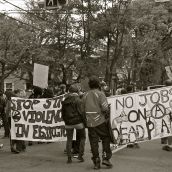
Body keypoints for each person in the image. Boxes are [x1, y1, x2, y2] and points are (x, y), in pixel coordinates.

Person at [82, 76, 112, 169]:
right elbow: (105, 108)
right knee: (106, 138)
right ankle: (106, 158)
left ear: (89, 85)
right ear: (98, 84)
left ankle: (96, 161)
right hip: (101, 121)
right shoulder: (100, 94)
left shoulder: (85, 95)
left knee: (93, 142)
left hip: (90, 122)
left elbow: (82, 109)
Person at [61, 84, 86, 163]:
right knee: (82, 138)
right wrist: (84, 122)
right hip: (78, 122)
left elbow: (63, 113)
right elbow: (81, 112)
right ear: (77, 91)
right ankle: (80, 156)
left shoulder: (65, 100)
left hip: (68, 122)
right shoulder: (78, 100)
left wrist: (65, 121)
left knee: (69, 139)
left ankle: (69, 158)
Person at [162, 79, 172, 151]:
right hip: (169, 113)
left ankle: (170, 145)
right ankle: (169, 144)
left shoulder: (163, 92)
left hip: (169, 113)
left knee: (169, 130)